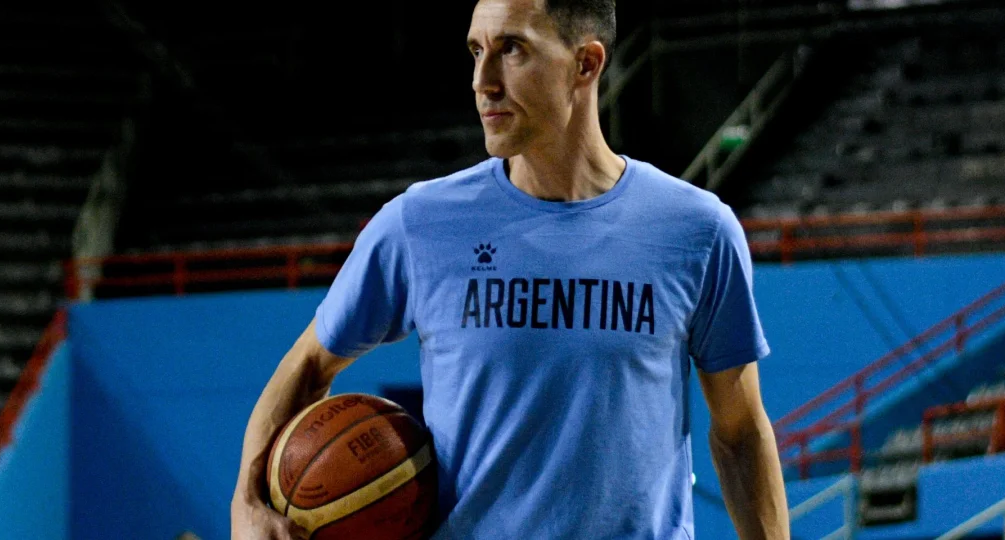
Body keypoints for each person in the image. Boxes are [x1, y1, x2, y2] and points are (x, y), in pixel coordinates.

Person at [231, 0, 790, 538]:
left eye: (512, 49)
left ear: (585, 63)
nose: (483, 81)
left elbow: (740, 433)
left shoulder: (696, 230)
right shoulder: (420, 223)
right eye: (476, 51)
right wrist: (248, 504)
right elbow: (309, 365)